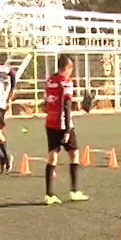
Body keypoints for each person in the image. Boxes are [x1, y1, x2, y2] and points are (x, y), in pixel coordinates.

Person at [43, 54, 89, 205]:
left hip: (50, 122)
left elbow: (47, 101)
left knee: (52, 156)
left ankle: (49, 195)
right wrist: (68, 129)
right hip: (63, 123)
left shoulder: (49, 81)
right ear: (67, 68)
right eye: (71, 70)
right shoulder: (67, 83)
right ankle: (74, 191)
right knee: (74, 154)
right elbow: (67, 106)